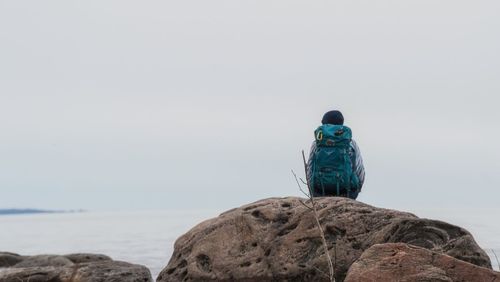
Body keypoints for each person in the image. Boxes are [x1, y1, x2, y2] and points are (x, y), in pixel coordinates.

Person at [307, 110, 365, 199]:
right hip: (347, 193)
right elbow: (359, 170)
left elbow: (310, 169)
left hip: (319, 192)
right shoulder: (350, 143)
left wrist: (313, 191)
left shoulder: (317, 144)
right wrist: (357, 189)